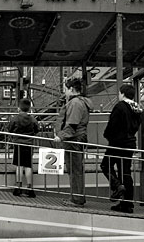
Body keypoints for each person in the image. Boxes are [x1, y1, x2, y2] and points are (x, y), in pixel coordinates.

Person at [101, 84, 143, 213]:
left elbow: (112, 125)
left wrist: (107, 135)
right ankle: (127, 204)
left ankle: (118, 186)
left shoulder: (120, 107)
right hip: (130, 143)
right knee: (125, 171)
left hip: (117, 142)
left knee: (105, 165)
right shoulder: (136, 108)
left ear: (122, 94)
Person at [53, 77, 93, 207]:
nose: (64, 92)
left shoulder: (75, 103)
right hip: (77, 138)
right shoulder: (81, 102)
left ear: (71, 89)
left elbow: (72, 124)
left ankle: (76, 198)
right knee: (76, 169)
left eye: (65, 89)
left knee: (74, 170)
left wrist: (61, 136)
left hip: (73, 140)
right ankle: (77, 197)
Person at [8, 98, 39, 198]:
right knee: (28, 166)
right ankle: (30, 188)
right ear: (29, 108)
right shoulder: (32, 119)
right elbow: (36, 129)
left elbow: (10, 129)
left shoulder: (15, 119)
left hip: (18, 144)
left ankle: (18, 187)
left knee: (19, 165)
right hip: (29, 144)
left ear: (18, 108)